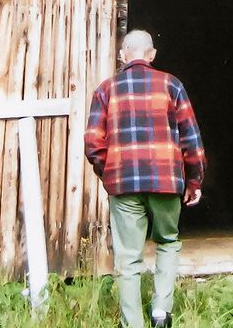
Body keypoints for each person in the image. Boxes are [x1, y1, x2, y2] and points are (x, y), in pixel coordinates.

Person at [85, 29, 206, 328]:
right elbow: (191, 139)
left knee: (128, 258)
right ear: (152, 55)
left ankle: (133, 323)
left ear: (122, 55)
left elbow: (93, 143)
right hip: (166, 180)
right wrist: (194, 181)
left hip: (123, 184)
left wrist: (110, 173)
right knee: (168, 242)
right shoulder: (171, 85)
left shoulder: (106, 89)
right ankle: (161, 313)